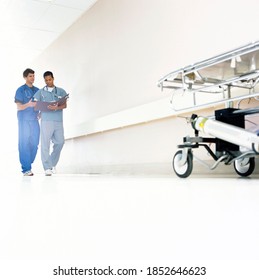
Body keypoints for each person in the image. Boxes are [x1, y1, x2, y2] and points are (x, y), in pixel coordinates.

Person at [33, 71, 68, 176]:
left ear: (53, 78)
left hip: (58, 120)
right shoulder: (41, 92)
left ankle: (52, 163)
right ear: (44, 80)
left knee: (60, 142)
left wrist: (56, 107)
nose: (48, 82)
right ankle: (47, 168)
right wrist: (39, 112)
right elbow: (35, 105)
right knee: (45, 144)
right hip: (46, 120)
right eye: (46, 80)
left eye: (50, 79)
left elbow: (64, 105)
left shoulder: (61, 91)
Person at [14, 68, 40, 176]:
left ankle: (28, 162)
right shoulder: (20, 90)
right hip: (24, 119)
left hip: (34, 120)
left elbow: (41, 104)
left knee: (34, 143)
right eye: (30, 76)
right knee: (24, 143)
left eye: (33, 75)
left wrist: (41, 113)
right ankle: (26, 169)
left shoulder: (38, 90)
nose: (32, 78)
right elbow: (19, 107)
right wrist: (28, 104)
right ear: (25, 77)